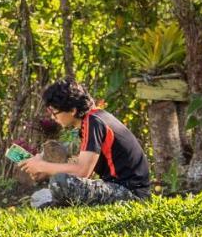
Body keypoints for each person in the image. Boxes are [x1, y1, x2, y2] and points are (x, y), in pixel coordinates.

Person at [15, 79, 151, 206]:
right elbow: (82, 166)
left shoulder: (94, 122)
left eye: (55, 113)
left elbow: (82, 171)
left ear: (73, 110)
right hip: (121, 188)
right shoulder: (93, 119)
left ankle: (52, 205)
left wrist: (42, 166)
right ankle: (52, 204)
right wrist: (45, 170)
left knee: (60, 182)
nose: (53, 117)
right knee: (51, 187)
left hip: (131, 194)